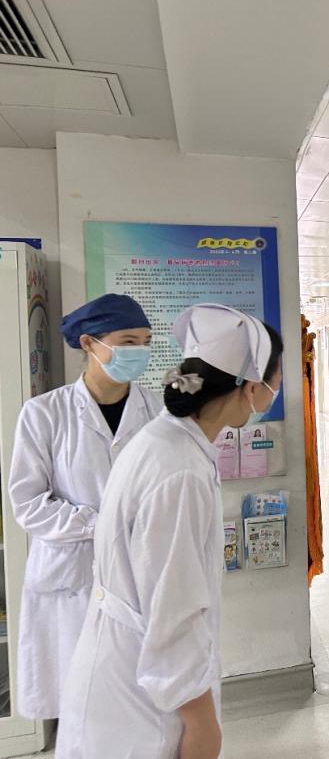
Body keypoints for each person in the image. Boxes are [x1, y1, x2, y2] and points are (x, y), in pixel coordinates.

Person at [55, 303, 283, 759]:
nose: (277, 392)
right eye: (276, 381)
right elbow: (173, 611)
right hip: (141, 704)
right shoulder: (180, 472)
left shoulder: (169, 441)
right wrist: (201, 720)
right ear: (251, 387)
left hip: (128, 673)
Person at [9, 293, 162, 720]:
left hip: (141, 570)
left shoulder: (159, 411)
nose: (140, 352)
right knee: (80, 701)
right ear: (89, 343)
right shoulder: (43, 414)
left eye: (146, 341)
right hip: (72, 577)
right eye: (128, 341)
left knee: (139, 704)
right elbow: (28, 503)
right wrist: (101, 523)